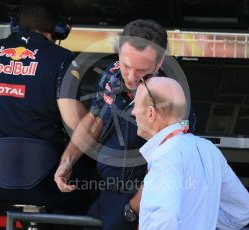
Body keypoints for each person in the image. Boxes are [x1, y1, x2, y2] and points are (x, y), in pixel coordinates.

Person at [54, 19, 195, 229]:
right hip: (108, 194)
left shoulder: (171, 95)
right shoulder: (111, 73)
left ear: (159, 63)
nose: (130, 76)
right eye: (126, 65)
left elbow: (172, 162)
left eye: (141, 70)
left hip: (146, 200)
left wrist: (133, 208)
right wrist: (68, 160)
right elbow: (93, 120)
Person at [0, 0, 93, 213]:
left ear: (16, 23)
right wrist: (97, 115)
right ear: (60, 27)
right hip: (48, 177)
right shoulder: (62, 58)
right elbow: (75, 122)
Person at [132, 76, 249, 229]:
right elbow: (245, 210)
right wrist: (201, 218)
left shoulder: (165, 154)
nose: (133, 112)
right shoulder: (209, 149)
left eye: (135, 104)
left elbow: (166, 217)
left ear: (151, 113)